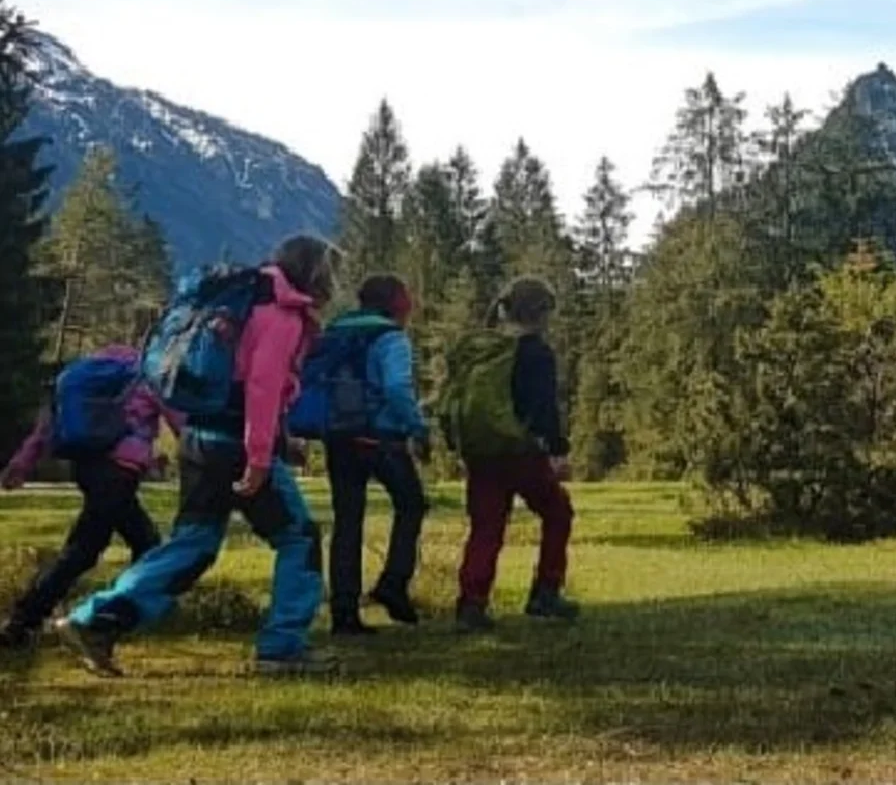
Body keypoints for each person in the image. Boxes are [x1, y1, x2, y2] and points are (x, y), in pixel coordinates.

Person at [55, 235, 338, 677]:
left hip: (199, 436)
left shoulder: (236, 299)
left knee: (195, 542)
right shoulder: (282, 312)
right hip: (237, 444)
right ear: (314, 270)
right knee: (299, 537)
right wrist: (260, 456)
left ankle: (96, 619)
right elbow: (261, 388)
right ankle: (282, 648)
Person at [0, 311, 173, 650]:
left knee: (142, 544)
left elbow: (47, 426)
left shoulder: (84, 373)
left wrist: (21, 463)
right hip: (118, 475)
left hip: (87, 468)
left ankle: (102, 618)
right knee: (86, 550)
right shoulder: (148, 373)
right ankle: (67, 622)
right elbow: (173, 420)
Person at [444, 276, 578, 633]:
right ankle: (545, 592)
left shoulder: (485, 349)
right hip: (521, 452)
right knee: (557, 511)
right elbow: (543, 407)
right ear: (541, 312)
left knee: (486, 527)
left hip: (481, 453)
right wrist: (557, 449)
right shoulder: (536, 353)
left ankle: (471, 603)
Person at [314, 275, 430, 636]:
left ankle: (344, 612)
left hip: (338, 436)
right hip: (380, 437)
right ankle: (392, 583)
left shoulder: (336, 333)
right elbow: (396, 387)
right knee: (411, 504)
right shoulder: (391, 338)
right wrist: (417, 427)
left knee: (347, 520)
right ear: (395, 302)